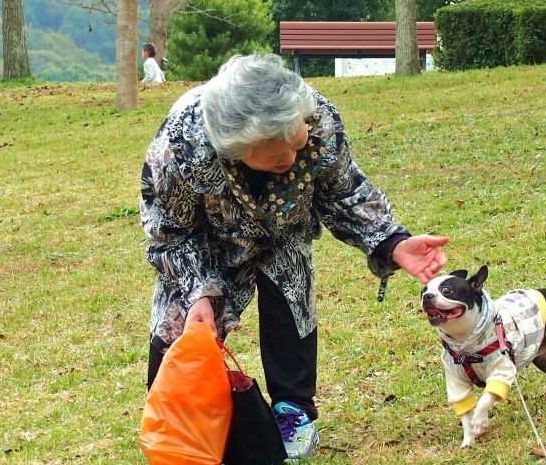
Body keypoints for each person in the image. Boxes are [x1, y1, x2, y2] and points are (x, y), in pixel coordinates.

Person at [140, 53, 449, 461]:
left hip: (284, 230)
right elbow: (170, 231)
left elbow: (343, 192)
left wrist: (391, 242)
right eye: (274, 157)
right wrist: (198, 292)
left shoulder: (317, 117)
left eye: (296, 143)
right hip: (206, 241)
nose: (289, 159)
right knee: (182, 331)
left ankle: (293, 411)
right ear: (236, 150)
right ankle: (183, 421)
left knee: (291, 304)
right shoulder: (181, 145)